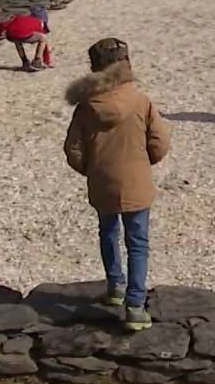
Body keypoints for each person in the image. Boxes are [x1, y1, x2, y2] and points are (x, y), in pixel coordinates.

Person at [64, 38, 171, 332]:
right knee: (138, 243)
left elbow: (73, 149)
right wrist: (144, 162)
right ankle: (135, 306)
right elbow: (160, 143)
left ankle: (115, 287)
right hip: (136, 180)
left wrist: (92, 169)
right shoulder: (140, 100)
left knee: (108, 233)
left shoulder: (86, 106)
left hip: (102, 181)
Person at [0, 5, 53, 71]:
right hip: (22, 34)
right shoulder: (38, 22)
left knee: (17, 40)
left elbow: (2, 25)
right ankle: (37, 61)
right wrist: (47, 60)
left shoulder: (20, 17)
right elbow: (44, 42)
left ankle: (25, 62)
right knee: (43, 38)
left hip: (10, 35)